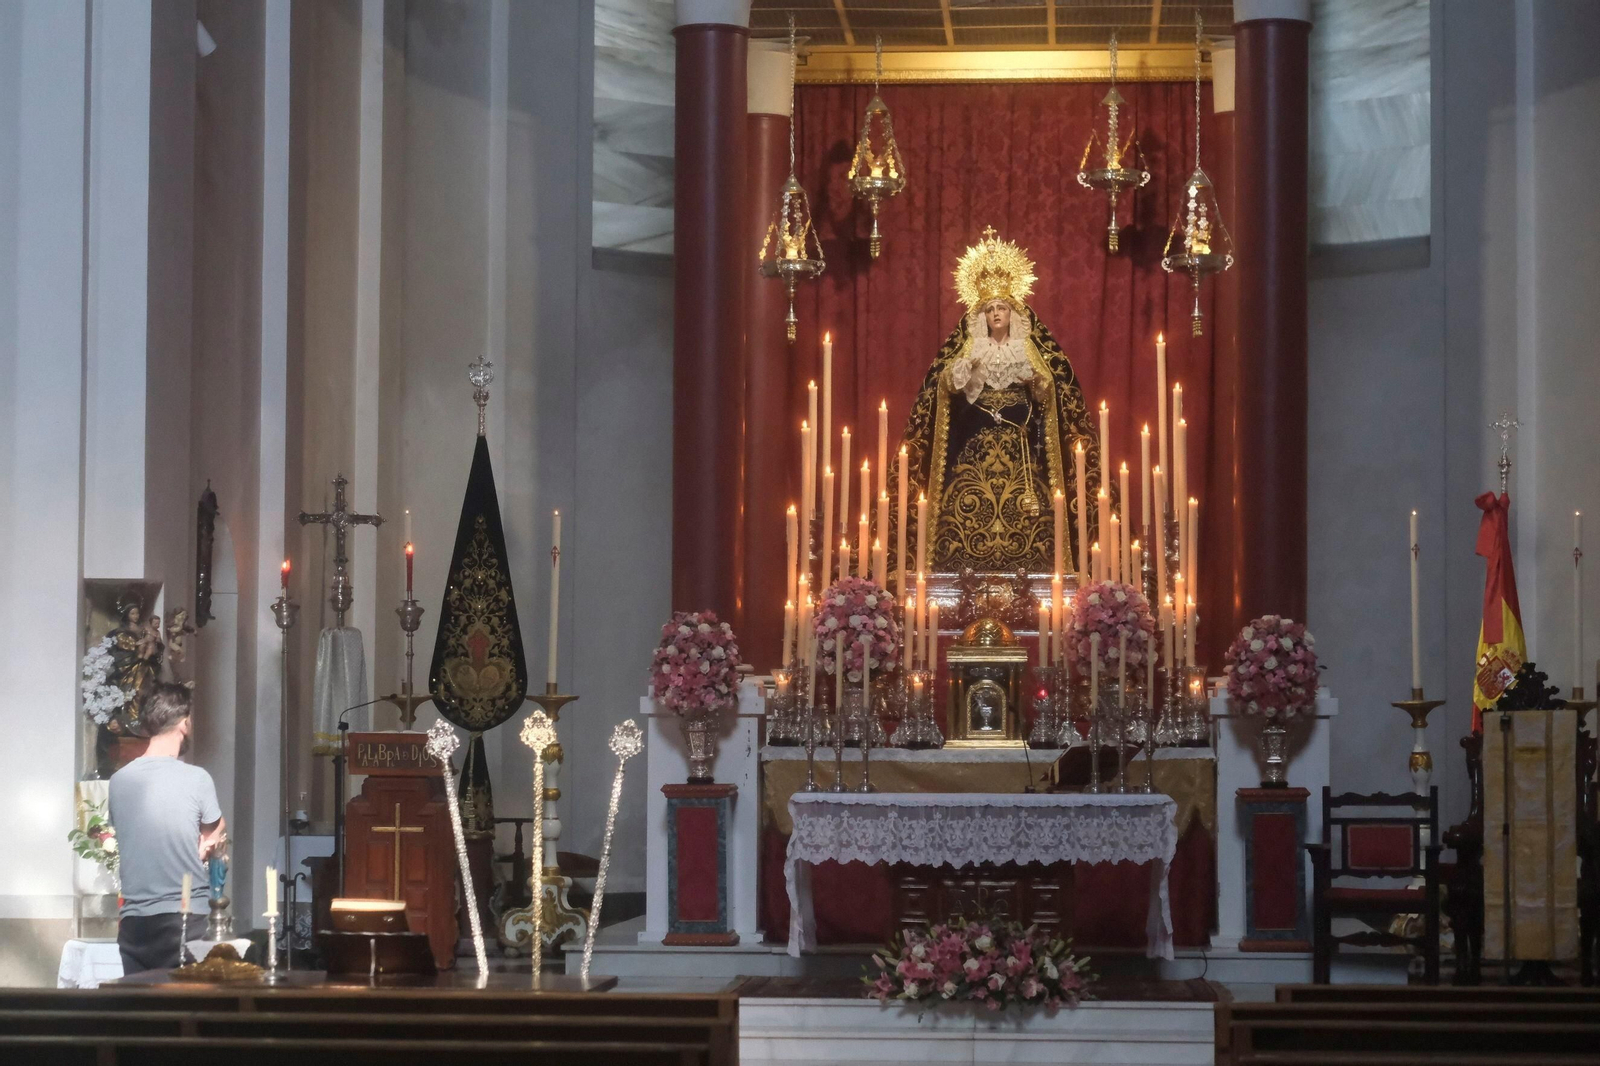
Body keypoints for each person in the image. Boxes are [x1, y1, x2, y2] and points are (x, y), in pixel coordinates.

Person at [892, 227, 1108, 574]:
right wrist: (965, 369)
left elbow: (1049, 394)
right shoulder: (970, 346)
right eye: (990, 308)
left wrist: (1036, 381)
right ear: (982, 315)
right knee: (965, 500)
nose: (996, 314)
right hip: (976, 444)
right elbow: (944, 386)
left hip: (1019, 444)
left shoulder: (1027, 349)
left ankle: (1035, 566)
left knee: (1030, 506)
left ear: (1012, 313)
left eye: (1002, 308)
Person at [108, 683, 226, 974]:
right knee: (189, 1012)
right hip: (186, 917)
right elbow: (215, 832)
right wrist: (207, 843)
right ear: (184, 723)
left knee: (143, 1013)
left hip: (136, 922)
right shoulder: (197, 778)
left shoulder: (119, 780)